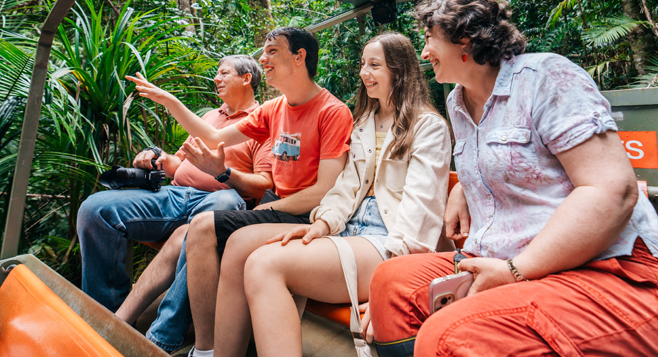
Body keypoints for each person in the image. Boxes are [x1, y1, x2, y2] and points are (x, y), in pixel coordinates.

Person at [368, 0, 658, 357]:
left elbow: (613, 191)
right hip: (503, 261)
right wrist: (463, 187)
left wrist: (516, 270)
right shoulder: (457, 101)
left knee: (451, 335)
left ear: (463, 39)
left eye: (429, 39)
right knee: (390, 282)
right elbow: (504, 159)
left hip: (608, 269)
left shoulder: (545, 76)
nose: (425, 52)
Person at [218, 32, 453, 357]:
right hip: (348, 232)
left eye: (374, 65)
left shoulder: (428, 127)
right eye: (362, 64)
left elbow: (421, 211)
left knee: (264, 265)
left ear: (398, 71)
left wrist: (393, 284)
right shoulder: (364, 123)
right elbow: (346, 187)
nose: (364, 73)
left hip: (388, 242)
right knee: (251, 250)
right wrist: (322, 224)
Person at [126, 26, 354, 356]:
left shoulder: (332, 112)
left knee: (204, 227)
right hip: (275, 207)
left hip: (308, 214)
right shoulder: (275, 109)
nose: (263, 58)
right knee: (192, 232)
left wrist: (263, 211)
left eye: (272, 51)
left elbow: (324, 192)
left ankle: (206, 349)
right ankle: (196, 343)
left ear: (299, 56)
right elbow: (213, 137)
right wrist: (171, 102)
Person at [77, 55, 273, 352]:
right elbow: (176, 163)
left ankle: (163, 334)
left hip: (222, 201)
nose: (216, 78)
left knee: (219, 203)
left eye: (224, 73)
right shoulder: (208, 117)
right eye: (216, 73)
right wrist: (155, 156)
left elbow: (263, 184)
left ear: (247, 78)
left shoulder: (262, 123)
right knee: (95, 210)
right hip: (176, 194)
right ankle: (104, 318)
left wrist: (223, 172)